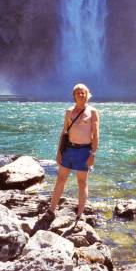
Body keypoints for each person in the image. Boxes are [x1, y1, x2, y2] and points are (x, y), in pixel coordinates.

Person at [42, 83, 99, 224]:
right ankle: (51, 210)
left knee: (82, 183)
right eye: (78, 93)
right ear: (74, 95)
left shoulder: (93, 112)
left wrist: (92, 154)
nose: (81, 95)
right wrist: (59, 152)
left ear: (87, 94)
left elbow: (96, 135)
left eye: (83, 93)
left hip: (84, 151)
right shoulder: (69, 111)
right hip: (68, 149)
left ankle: (79, 215)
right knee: (60, 180)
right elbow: (64, 132)